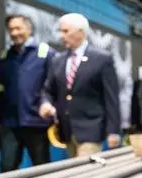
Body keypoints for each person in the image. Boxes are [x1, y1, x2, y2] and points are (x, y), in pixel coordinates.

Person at [39, 13, 121, 157]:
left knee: (86, 168)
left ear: (81, 32)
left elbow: (111, 98)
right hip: (66, 130)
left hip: (91, 130)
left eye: (66, 31)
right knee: (74, 168)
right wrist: (45, 103)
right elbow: (48, 90)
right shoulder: (57, 60)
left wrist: (113, 131)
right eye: (60, 31)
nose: (61, 36)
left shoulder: (102, 59)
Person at [0, 14, 55, 172]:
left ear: (28, 28)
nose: (14, 33)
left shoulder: (45, 53)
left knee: (42, 168)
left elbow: (53, 87)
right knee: (7, 168)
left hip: (37, 122)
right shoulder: (5, 56)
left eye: (18, 28)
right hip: (10, 122)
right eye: (10, 29)